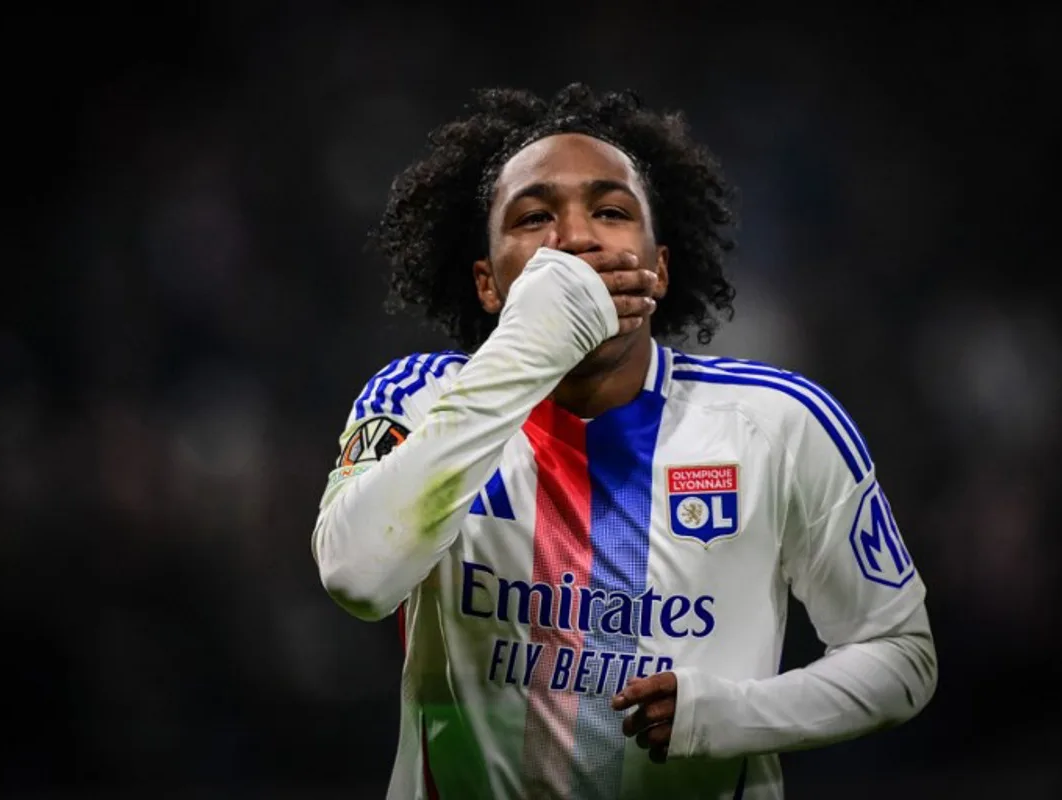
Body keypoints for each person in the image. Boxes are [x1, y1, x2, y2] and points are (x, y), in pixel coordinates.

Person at [312, 84, 937, 800]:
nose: (577, 239)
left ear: (658, 269)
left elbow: (901, 658)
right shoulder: (418, 399)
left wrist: (731, 715)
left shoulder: (777, 424)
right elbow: (358, 576)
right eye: (534, 217)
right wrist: (529, 345)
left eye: (610, 212)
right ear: (488, 283)